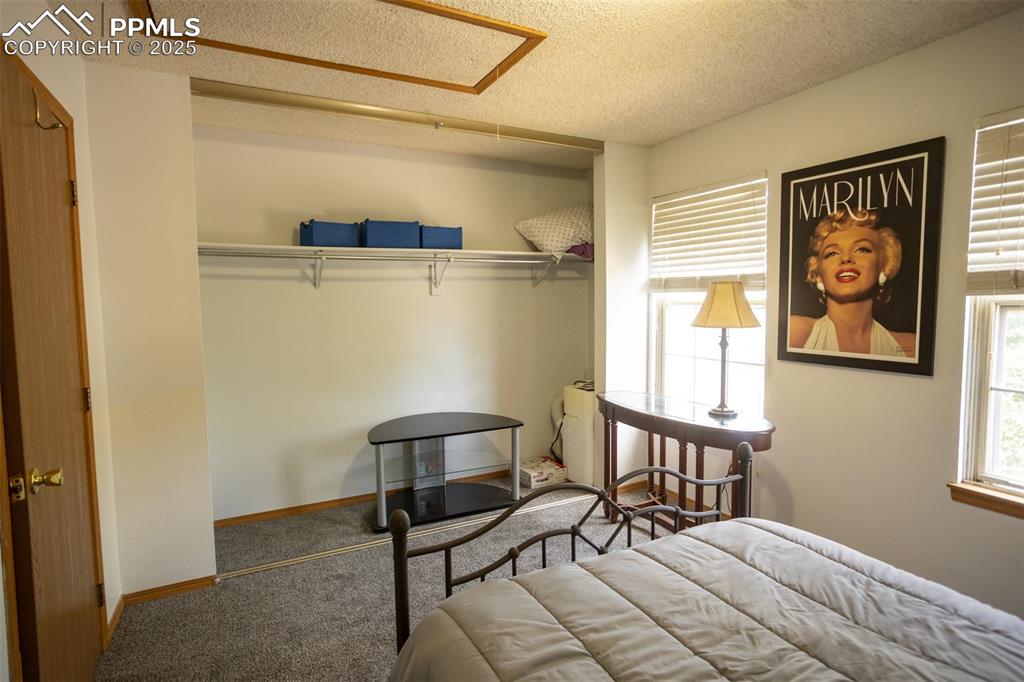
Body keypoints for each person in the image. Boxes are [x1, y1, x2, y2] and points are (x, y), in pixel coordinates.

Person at [789, 209, 916, 357]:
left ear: (884, 266)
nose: (846, 258)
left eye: (861, 249)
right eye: (832, 253)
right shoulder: (795, 333)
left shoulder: (910, 346)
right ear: (818, 275)